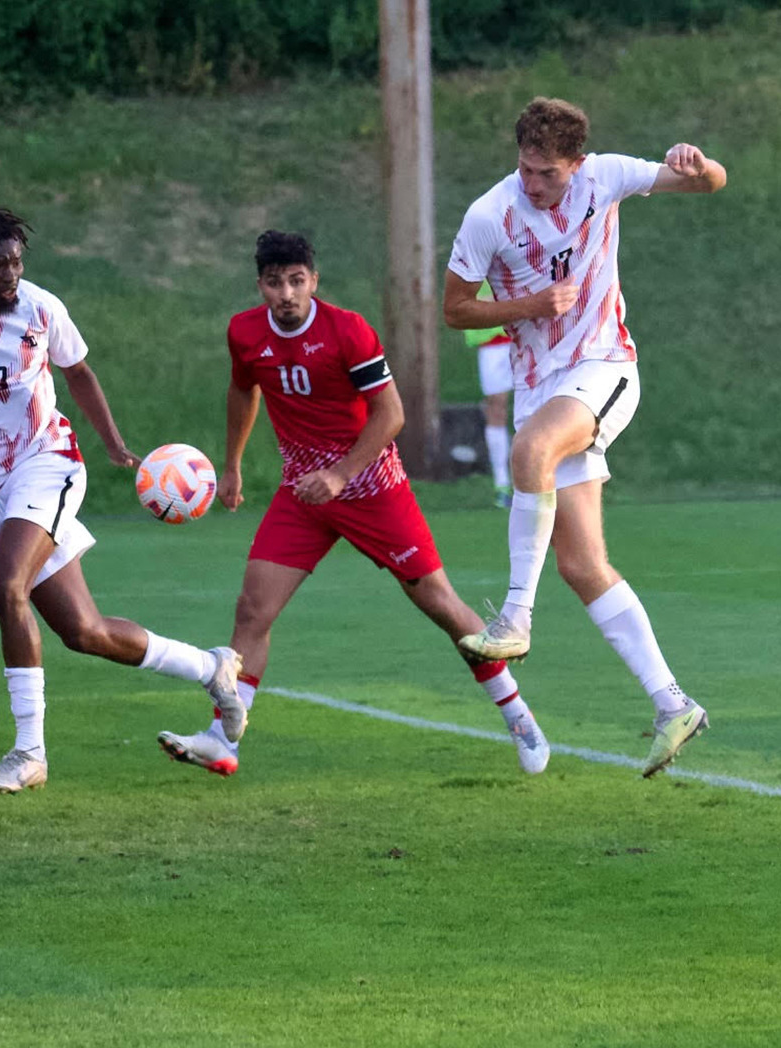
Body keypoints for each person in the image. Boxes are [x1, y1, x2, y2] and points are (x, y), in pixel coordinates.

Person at [156, 231, 550, 778]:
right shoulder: (244, 332)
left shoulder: (347, 331)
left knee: (442, 606)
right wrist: (232, 466)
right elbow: (243, 390)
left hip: (372, 491)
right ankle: (224, 741)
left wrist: (340, 475)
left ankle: (519, 717)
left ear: (314, 281)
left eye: (297, 281)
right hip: (303, 494)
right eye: (274, 283)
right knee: (252, 611)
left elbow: (391, 414)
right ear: (260, 285)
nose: (286, 294)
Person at [0, 206, 243, 794]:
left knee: (5, 582)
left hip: (48, 462)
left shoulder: (41, 307)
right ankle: (212, 667)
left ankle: (29, 754)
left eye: (16, 262)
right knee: (84, 631)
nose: (10, 275)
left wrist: (113, 443)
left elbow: (78, 373)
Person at [443, 96, 727, 778]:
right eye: (525, 168)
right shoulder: (489, 216)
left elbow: (710, 183)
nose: (533, 183)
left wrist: (699, 163)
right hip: (539, 387)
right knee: (581, 565)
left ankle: (515, 618)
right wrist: (528, 306)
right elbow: (455, 309)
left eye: (548, 173)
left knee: (530, 451)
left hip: (604, 368)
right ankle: (674, 705)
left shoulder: (607, 176)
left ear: (576, 164)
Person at [464, 282, 516, 507]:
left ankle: (544, 481)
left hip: (527, 336)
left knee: (538, 405)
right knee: (496, 409)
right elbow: (464, 301)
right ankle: (502, 485)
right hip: (491, 344)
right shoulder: (470, 263)